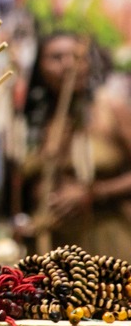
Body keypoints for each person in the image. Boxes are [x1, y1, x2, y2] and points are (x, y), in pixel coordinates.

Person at [11, 32, 131, 258]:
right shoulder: (31, 120)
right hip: (51, 249)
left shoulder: (110, 108)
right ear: (40, 67)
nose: (68, 65)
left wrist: (94, 193)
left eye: (77, 57)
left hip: (108, 244)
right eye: (56, 58)